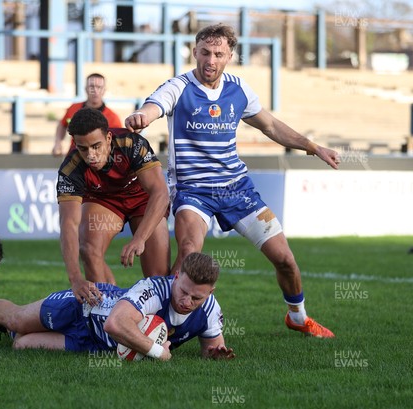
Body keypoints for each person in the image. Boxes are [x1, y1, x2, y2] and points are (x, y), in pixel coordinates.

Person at [125, 23, 340, 338]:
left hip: (238, 190)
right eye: (205, 52)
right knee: (188, 251)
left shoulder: (238, 89)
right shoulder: (178, 87)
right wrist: (143, 116)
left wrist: (313, 147)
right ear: (194, 52)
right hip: (193, 191)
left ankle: (298, 315)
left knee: (285, 259)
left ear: (229, 57)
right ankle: (164, 328)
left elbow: (270, 126)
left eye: (218, 54)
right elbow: (154, 106)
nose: (210, 60)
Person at [0, 252, 235, 361]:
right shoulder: (153, 289)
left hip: (93, 344)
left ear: (211, 293)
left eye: (196, 297)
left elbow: (212, 346)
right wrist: (157, 351)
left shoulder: (209, 310)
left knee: (22, 345)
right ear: (176, 277)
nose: (186, 300)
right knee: (17, 320)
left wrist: (215, 354)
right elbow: (116, 326)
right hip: (86, 308)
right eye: (184, 291)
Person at [57, 107, 170, 305]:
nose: (91, 155)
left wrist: (139, 238)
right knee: (89, 248)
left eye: (96, 146)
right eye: (83, 148)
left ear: (109, 137)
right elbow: (69, 225)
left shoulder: (131, 143)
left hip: (143, 198)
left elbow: (160, 194)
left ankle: (161, 322)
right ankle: (107, 311)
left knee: (158, 278)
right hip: (105, 201)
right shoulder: (71, 168)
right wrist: (75, 279)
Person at [52, 73, 123, 157]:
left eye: (99, 87)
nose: (95, 91)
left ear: (104, 90)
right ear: (86, 89)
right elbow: (62, 125)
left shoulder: (113, 118)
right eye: (91, 87)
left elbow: (119, 144)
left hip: (97, 162)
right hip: (73, 159)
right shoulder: (73, 108)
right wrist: (58, 143)